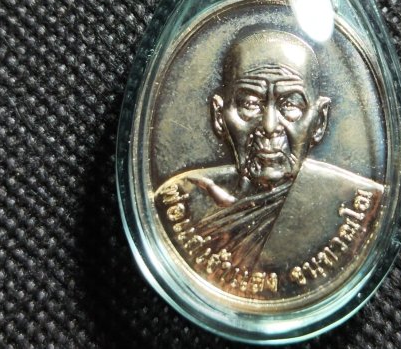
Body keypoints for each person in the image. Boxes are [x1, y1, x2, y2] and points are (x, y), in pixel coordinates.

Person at [156, 30, 383, 273]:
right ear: (219, 116)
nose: (269, 126)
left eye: (290, 105)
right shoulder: (183, 196)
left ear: (319, 121)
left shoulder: (359, 201)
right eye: (250, 104)